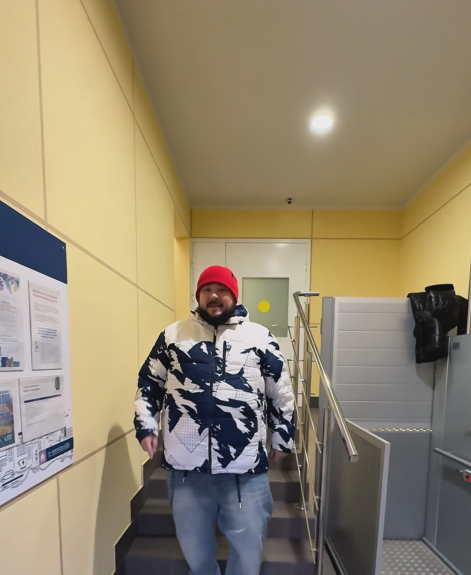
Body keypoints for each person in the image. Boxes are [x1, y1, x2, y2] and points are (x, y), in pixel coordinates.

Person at [134, 265, 295, 575]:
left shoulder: (260, 337)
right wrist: (146, 426)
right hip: (186, 469)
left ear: (234, 295)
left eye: (222, 290)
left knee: (248, 554)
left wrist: (282, 437)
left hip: (244, 470)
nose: (214, 296)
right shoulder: (173, 335)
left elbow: (281, 394)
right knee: (196, 554)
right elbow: (149, 383)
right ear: (199, 296)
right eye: (207, 289)